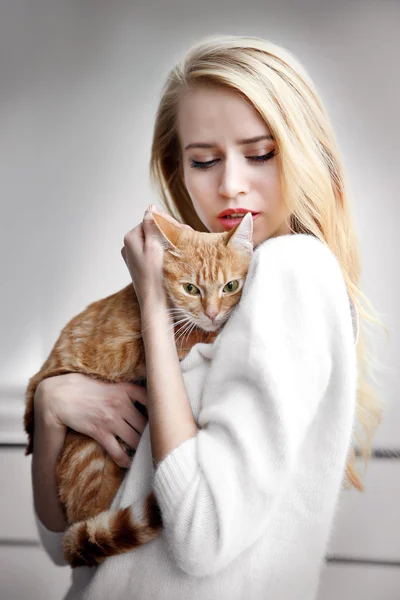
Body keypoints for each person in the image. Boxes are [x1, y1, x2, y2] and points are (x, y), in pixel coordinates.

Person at [31, 34, 387, 600]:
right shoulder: (209, 297)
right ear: (179, 167)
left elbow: (199, 533)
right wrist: (51, 410)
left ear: (303, 151)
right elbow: (67, 546)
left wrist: (152, 301)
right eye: (204, 160)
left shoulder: (291, 270)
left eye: (261, 152)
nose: (230, 185)